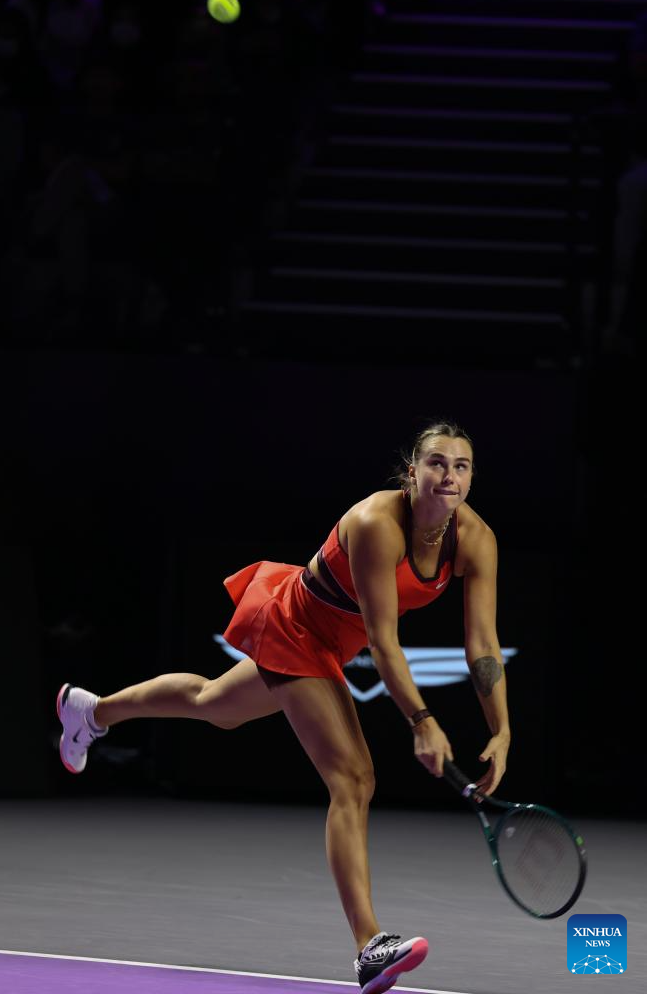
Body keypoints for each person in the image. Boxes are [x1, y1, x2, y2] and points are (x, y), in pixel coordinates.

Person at [57, 420, 511, 994]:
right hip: (297, 627)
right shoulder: (377, 523)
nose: (449, 476)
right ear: (411, 472)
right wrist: (422, 721)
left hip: (331, 643)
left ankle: (91, 712)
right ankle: (369, 946)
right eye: (437, 463)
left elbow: (483, 644)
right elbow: (383, 641)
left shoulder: (476, 540)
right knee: (353, 779)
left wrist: (502, 729)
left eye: (461, 466)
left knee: (214, 704)